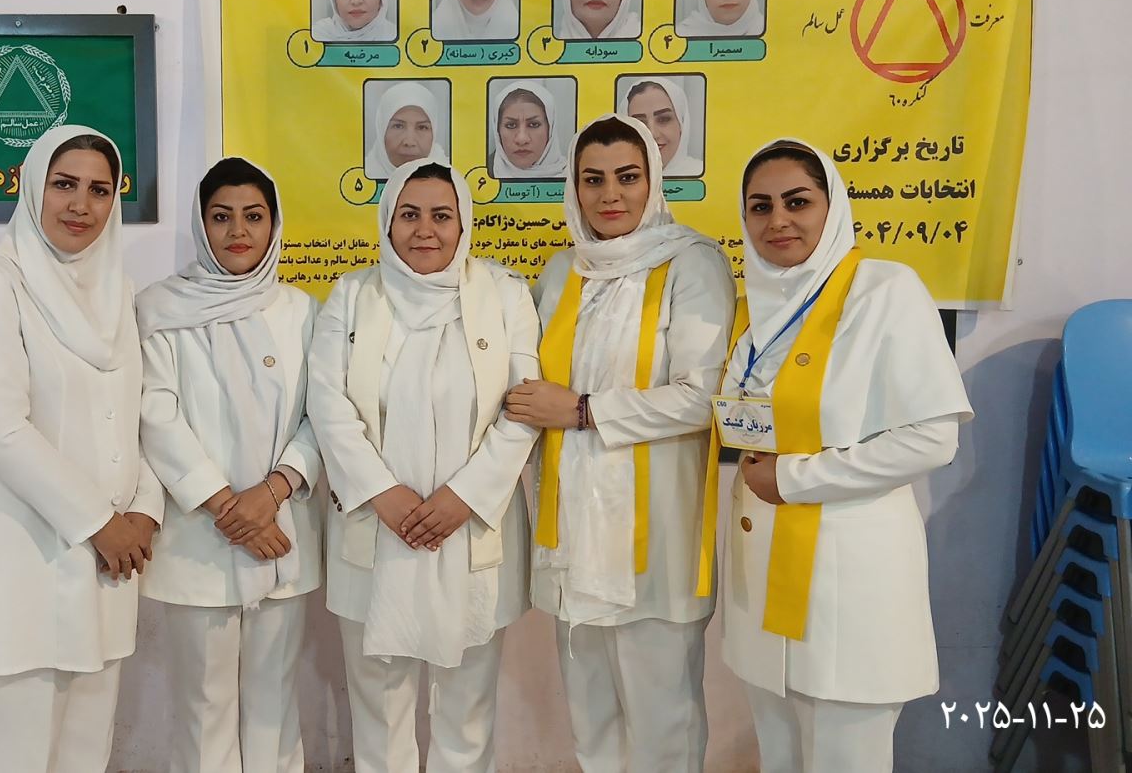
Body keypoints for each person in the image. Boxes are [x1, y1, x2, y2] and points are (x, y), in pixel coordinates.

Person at [699, 139, 972, 772]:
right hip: (761, 572)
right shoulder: (754, 307)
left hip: (847, 580)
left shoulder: (884, 291)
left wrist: (796, 478)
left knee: (847, 755)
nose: (778, 221)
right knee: (780, 755)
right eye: (760, 207)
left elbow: (932, 437)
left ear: (833, 206)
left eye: (798, 202)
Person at [506, 114, 734, 772]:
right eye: (593, 179)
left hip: (654, 539)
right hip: (573, 535)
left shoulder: (692, 263)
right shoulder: (561, 272)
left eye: (628, 177)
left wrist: (584, 411)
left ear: (653, 181)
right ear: (573, 189)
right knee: (592, 723)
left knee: (664, 728)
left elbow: (703, 397)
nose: (610, 195)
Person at [308, 160, 539, 772]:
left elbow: (524, 406)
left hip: (471, 528)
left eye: (442, 215)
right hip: (376, 528)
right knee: (378, 710)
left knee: (467, 711)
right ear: (387, 222)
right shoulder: (353, 295)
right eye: (408, 215)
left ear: (465, 223)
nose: (425, 230)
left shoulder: (506, 294)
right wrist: (383, 494)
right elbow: (327, 403)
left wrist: (463, 498)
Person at [0, 125, 162, 772]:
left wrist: (144, 511)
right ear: (34, 187)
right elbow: (0, 428)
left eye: (100, 190)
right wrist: (102, 524)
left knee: (85, 756)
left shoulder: (118, 293)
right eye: (64, 184)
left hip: (107, 569)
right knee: (14, 756)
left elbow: (137, 419)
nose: (81, 205)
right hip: (26, 560)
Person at [137, 158, 325, 772]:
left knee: (274, 704)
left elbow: (323, 413)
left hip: (282, 531)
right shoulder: (159, 308)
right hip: (202, 535)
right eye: (221, 217)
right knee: (203, 705)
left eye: (253, 216)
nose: (238, 231)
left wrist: (271, 493)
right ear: (201, 224)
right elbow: (156, 415)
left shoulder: (302, 311)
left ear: (274, 224)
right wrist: (229, 508)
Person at [365, 82, 449, 180]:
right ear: (381, 129)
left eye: (422, 127)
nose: (409, 142)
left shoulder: (452, 177)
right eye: (398, 126)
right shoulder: (359, 174)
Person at [625, 78, 704, 178]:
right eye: (639, 123)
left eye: (663, 119)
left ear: (681, 123)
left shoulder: (706, 173)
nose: (652, 134)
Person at [489, 81, 566, 181]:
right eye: (511, 125)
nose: (522, 139)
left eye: (533, 125)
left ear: (550, 129)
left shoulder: (574, 174)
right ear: (497, 131)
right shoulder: (479, 175)